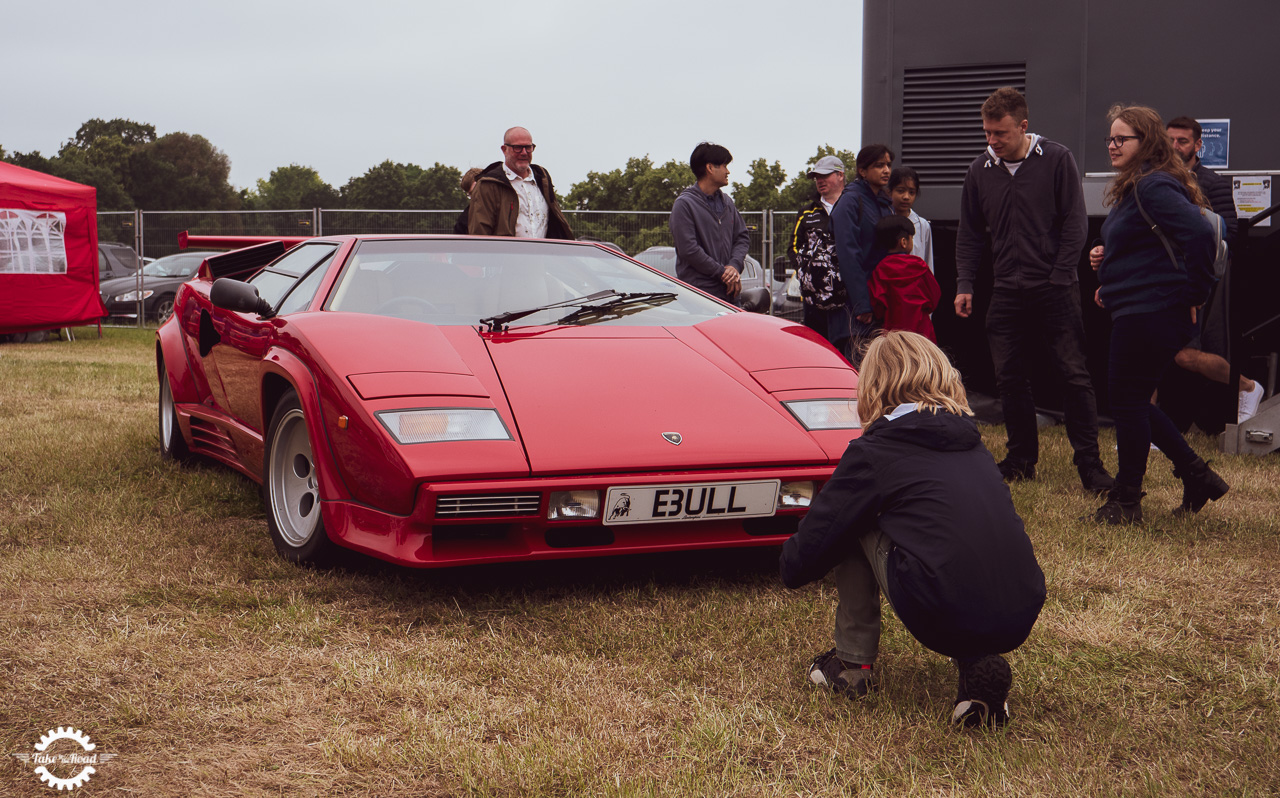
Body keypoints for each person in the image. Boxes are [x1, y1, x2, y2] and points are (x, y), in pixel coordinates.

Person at [780, 330, 1046, 728]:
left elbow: (812, 546)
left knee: (855, 518)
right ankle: (977, 681)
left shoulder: (875, 452)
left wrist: (788, 561)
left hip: (941, 608)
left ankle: (851, 666)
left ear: (873, 384)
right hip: (1022, 606)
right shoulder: (973, 444)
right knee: (948, 541)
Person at [955, 87, 1113, 494]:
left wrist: (1060, 276)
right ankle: (1021, 459)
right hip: (1007, 291)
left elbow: (1076, 223)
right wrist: (966, 283)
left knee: (1073, 376)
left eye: (1001, 133)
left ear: (1023, 127)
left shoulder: (1057, 159)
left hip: (1054, 288)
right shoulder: (979, 171)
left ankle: (1090, 466)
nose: (992, 141)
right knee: (1009, 377)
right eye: (987, 132)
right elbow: (970, 232)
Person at [1088, 105, 1229, 524]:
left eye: (1121, 139)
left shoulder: (1152, 185)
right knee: (1133, 401)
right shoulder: (1138, 187)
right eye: (1110, 139)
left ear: (1145, 142)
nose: (1112, 146)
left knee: (1128, 403)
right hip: (1140, 308)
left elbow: (1201, 234)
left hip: (1152, 313)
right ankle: (1197, 475)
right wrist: (1108, 266)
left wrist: (1195, 294)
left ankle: (1127, 500)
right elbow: (1148, 249)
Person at [1164, 116, 1263, 422]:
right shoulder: (1156, 179)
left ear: (1198, 145)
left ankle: (1246, 387)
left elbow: (1230, 233)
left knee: (1189, 352)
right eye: (1169, 140)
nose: (1175, 146)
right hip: (1164, 274)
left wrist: (1195, 220)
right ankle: (1148, 423)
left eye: (1182, 141)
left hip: (1204, 277)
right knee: (1155, 347)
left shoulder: (1213, 182)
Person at [830, 145, 895, 365]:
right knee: (859, 375)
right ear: (862, 171)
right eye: (879, 165)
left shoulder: (884, 202)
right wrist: (861, 304)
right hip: (856, 309)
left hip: (880, 303)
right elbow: (849, 254)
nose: (886, 170)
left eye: (888, 165)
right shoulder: (851, 201)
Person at [670, 142, 749, 304]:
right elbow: (689, 249)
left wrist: (733, 266)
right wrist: (721, 273)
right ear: (710, 168)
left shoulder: (727, 203)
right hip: (699, 297)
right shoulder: (684, 204)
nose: (728, 171)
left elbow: (742, 238)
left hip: (731, 294)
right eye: (724, 165)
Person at [791, 155, 854, 355]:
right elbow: (793, 247)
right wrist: (809, 274)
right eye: (816, 176)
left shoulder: (854, 206)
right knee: (816, 352)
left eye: (825, 175)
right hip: (814, 303)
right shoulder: (807, 212)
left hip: (847, 302)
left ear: (840, 175)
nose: (819, 180)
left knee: (848, 352)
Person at [468, 127, 574, 239]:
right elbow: (479, 235)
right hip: (505, 255)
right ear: (504, 149)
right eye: (517, 148)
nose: (524, 153)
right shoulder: (488, 185)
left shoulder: (543, 180)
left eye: (528, 147)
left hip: (542, 255)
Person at [870, 215, 941, 341]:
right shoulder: (919, 266)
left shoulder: (880, 270)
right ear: (903, 242)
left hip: (893, 333)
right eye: (911, 238)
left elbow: (878, 307)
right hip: (922, 331)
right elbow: (934, 297)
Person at [888, 166, 934, 272]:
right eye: (900, 191)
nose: (906, 197)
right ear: (890, 192)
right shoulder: (884, 222)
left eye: (911, 192)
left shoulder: (923, 225)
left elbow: (928, 263)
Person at [452, 167, 483, 235]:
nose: (473, 197)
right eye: (470, 194)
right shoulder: (464, 220)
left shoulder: (502, 210)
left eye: (475, 192)